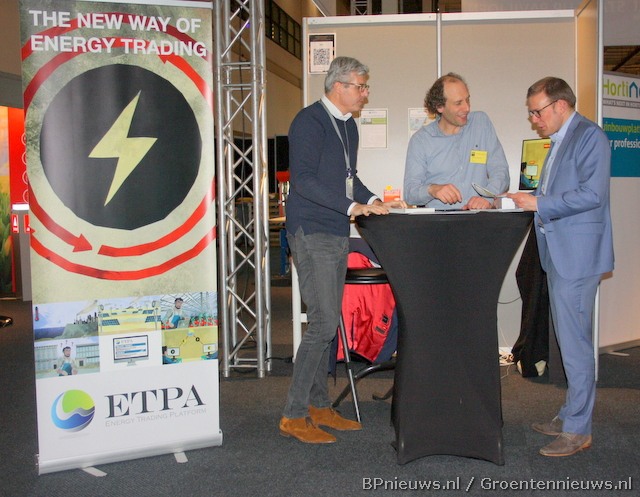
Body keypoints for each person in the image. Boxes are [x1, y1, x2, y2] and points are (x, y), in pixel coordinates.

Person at [280, 56, 406, 444]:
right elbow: (303, 181)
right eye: (360, 86)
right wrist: (353, 208)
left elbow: (349, 179)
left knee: (329, 322)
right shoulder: (309, 121)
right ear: (339, 86)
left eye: (366, 86)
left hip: (334, 230)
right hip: (311, 231)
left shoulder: (348, 126)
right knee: (322, 323)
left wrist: (376, 200)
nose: (365, 93)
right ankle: (293, 414)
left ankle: (319, 406)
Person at [508, 77, 614, 457]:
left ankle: (578, 430)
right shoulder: (559, 141)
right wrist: (523, 198)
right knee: (569, 342)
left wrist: (539, 204)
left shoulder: (590, 137)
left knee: (576, 346)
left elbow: (592, 194)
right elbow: (554, 192)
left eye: (537, 112)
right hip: (560, 253)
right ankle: (570, 414)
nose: (534, 119)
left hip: (578, 256)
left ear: (560, 105)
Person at [403, 73, 509, 209]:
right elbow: (410, 193)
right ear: (439, 106)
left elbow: (500, 171)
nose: (467, 108)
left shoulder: (481, 123)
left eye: (467, 100)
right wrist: (433, 190)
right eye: (458, 103)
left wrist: (487, 197)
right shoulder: (421, 140)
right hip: (439, 219)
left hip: (478, 216)